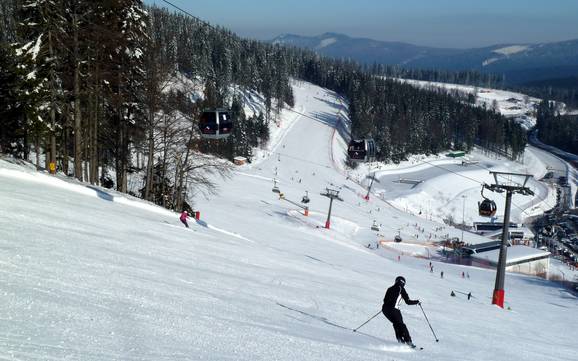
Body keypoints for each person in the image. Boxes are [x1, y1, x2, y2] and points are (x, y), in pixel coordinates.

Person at [382, 276, 420, 348]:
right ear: (403, 283)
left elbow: (385, 300)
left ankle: (400, 339)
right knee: (401, 325)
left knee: (396, 323)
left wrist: (388, 306)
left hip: (385, 309)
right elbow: (408, 302)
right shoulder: (401, 289)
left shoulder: (389, 288)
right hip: (394, 309)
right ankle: (408, 341)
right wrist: (417, 302)